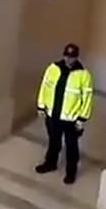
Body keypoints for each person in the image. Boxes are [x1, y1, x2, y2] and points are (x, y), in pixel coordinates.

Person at [34, 43, 94, 185]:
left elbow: (87, 98)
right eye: (67, 56)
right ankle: (50, 163)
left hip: (71, 120)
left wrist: (81, 118)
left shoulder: (83, 75)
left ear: (76, 57)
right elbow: (45, 87)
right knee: (54, 142)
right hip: (53, 115)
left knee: (72, 147)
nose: (69, 59)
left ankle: (71, 173)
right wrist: (41, 106)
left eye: (72, 57)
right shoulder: (53, 69)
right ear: (64, 55)